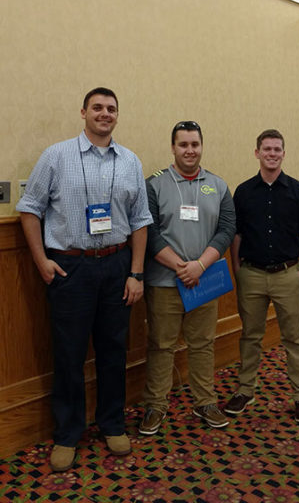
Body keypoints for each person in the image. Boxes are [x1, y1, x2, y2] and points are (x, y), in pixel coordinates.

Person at [16, 87, 153, 472]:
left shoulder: (129, 161)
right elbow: (29, 209)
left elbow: (141, 220)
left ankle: (112, 424)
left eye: (111, 109)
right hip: (69, 268)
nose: (104, 114)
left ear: (117, 115)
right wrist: (42, 261)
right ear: (83, 112)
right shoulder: (56, 156)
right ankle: (68, 434)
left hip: (116, 266)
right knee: (69, 354)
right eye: (97, 107)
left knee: (113, 351)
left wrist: (136, 272)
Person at [141, 121, 235, 434]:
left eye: (195, 144)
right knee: (161, 344)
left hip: (204, 279)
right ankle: (155, 406)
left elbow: (226, 230)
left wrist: (200, 266)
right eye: (183, 145)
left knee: (203, 343)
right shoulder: (153, 184)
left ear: (201, 146)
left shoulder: (219, 185)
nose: (190, 150)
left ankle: (205, 401)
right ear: (173, 147)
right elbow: (149, 233)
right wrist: (181, 266)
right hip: (164, 281)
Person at [224, 129, 299, 424]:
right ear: (257, 153)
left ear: (283, 154)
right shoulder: (243, 191)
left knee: (294, 337)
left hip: (288, 274)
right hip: (250, 274)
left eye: (277, 149)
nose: (272, 154)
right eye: (267, 149)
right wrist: (237, 269)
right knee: (250, 336)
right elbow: (236, 234)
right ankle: (245, 390)